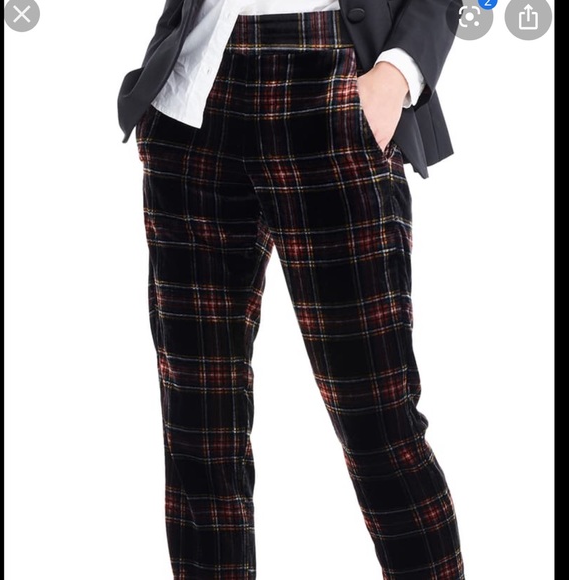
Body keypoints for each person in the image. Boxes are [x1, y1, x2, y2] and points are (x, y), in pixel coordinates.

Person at [117, 1, 465, 578]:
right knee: (199, 425)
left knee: (377, 418)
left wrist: (397, 73)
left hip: (334, 77)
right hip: (194, 93)